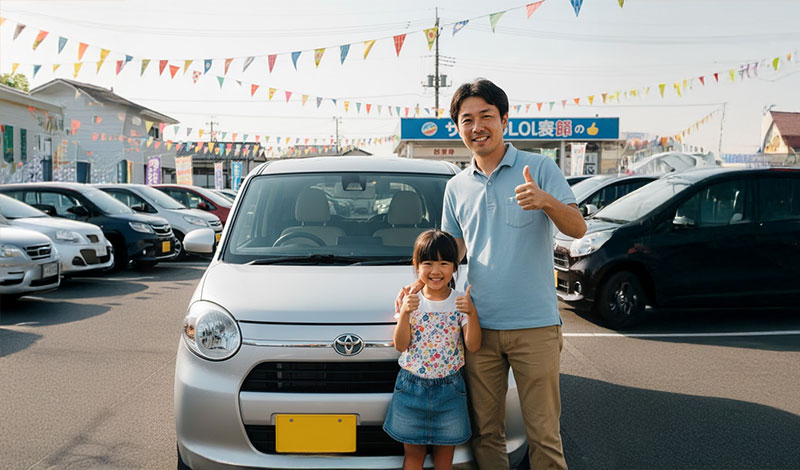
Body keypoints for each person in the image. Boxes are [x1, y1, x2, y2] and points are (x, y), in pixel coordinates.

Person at [396, 79, 587, 470]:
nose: (477, 126)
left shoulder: (540, 168)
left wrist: (546, 201)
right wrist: (419, 283)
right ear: (458, 128)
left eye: (486, 116)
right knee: (487, 434)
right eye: (467, 119)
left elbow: (578, 228)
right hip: (477, 327)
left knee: (544, 436)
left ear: (504, 119)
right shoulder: (456, 186)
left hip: (535, 325)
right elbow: (450, 253)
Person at [383, 229, 482, 470]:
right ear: (416, 265)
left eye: (444, 263)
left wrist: (471, 312)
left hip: (450, 389)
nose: (436, 271)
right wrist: (405, 313)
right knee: (414, 456)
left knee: (444, 460)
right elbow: (401, 344)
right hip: (411, 387)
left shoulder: (460, 300)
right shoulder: (410, 299)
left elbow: (473, 345)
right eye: (428, 263)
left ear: (455, 267)